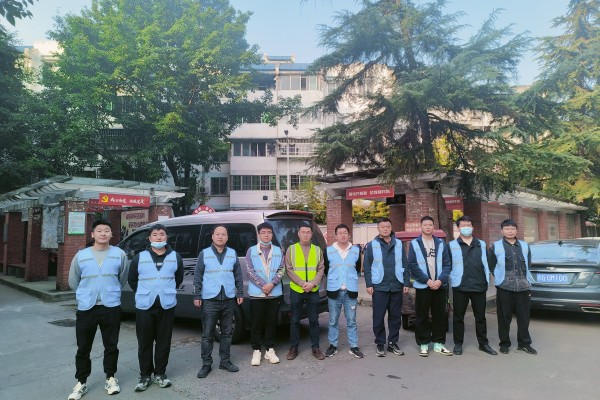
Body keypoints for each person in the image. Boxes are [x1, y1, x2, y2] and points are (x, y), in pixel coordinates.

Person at [67, 219, 129, 400]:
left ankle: (110, 377)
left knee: (111, 346)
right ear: (92, 234)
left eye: (106, 230)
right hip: (87, 308)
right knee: (83, 347)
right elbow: (73, 281)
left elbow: (122, 278)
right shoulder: (81, 255)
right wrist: (86, 294)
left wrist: (110, 291)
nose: (103, 233)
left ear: (111, 234)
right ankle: (81, 382)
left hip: (111, 307)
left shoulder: (119, 254)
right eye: (99, 230)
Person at [128, 224, 184, 391]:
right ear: (149, 238)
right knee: (144, 342)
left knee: (163, 341)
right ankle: (145, 376)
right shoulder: (140, 257)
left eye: (162, 234)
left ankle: (160, 373)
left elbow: (178, 279)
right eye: (155, 234)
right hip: (145, 305)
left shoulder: (175, 257)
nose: (159, 237)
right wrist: (146, 292)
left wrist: (164, 291)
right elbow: (132, 280)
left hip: (167, 305)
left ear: (166, 237)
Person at [193, 226, 244, 378]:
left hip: (228, 298)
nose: (220, 237)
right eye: (217, 234)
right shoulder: (205, 253)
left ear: (227, 237)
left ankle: (225, 361)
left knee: (227, 333)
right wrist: (197, 295)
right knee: (207, 334)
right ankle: (206, 364)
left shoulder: (232, 253)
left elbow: (238, 274)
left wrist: (240, 292)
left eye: (223, 234)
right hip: (210, 300)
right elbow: (198, 275)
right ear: (212, 236)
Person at [448, 216, 497, 356]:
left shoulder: (481, 244)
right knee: (458, 317)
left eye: (468, 225)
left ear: (472, 227)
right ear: (458, 227)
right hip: (460, 286)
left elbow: (487, 262)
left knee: (480, 317)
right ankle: (458, 344)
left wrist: (488, 278)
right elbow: (447, 264)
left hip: (479, 285)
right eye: (463, 225)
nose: (466, 227)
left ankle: (483, 343)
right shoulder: (451, 245)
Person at [488, 219, 537, 355]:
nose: (510, 231)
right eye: (507, 228)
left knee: (524, 318)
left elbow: (528, 264)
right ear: (502, 231)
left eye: (512, 228)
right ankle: (504, 344)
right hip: (505, 287)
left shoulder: (524, 246)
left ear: (516, 230)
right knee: (504, 318)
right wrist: (500, 278)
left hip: (523, 287)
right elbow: (491, 265)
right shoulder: (495, 246)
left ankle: (524, 344)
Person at [363, 217, 409, 357]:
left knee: (395, 317)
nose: (385, 229)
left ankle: (392, 342)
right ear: (378, 228)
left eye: (387, 226)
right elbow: (367, 265)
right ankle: (380, 343)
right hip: (379, 286)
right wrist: (369, 284)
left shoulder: (399, 244)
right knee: (378, 316)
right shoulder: (372, 245)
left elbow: (405, 263)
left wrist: (406, 282)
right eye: (382, 227)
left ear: (391, 228)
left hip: (396, 285)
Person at [407, 216, 452, 357]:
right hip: (423, 286)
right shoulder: (415, 244)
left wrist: (440, 280)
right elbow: (412, 265)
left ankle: (439, 343)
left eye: (430, 225)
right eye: (425, 225)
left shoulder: (440, 243)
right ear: (421, 226)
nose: (428, 227)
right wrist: (427, 280)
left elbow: (447, 264)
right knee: (422, 315)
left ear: (434, 227)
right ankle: (424, 343)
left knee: (440, 316)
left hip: (439, 285)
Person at [245, 222, 285, 366]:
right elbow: (249, 271)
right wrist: (263, 285)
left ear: (272, 234)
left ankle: (270, 349)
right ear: (259, 234)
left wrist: (272, 284)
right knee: (256, 323)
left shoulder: (278, 251)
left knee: (271, 322)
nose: (266, 235)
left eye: (269, 232)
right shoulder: (251, 251)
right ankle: (256, 350)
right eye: (263, 232)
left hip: (274, 292)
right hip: (257, 293)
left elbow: (281, 269)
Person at [285, 224, 326, 361]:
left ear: (311, 234)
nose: (306, 234)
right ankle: (293, 348)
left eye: (308, 232)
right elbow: (289, 269)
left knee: (314, 320)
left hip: (313, 289)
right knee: (295, 320)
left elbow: (321, 269)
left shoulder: (317, 250)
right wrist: (302, 283)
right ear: (298, 234)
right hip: (297, 289)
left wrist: (313, 283)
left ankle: (315, 348)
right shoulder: (292, 249)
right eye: (303, 232)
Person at [324, 224, 364, 359]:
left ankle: (354, 346)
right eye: (340, 233)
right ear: (336, 236)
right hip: (334, 290)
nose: (343, 235)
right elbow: (326, 270)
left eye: (345, 232)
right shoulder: (328, 251)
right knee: (333, 320)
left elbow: (358, 269)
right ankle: (333, 345)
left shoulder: (356, 250)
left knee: (351, 320)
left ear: (349, 235)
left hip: (350, 290)